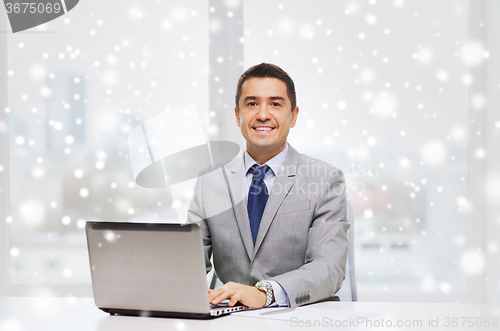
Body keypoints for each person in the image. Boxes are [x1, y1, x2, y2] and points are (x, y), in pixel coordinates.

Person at [187, 63, 349, 308]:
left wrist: (266, 293)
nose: (262, 114)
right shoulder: (210, 182)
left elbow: (328, 267)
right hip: (229, 319)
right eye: (252, 104)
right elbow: (189, 264)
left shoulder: (325, 179)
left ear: (293, 116)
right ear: (237, 115)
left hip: (299, 318)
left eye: (275, 104)